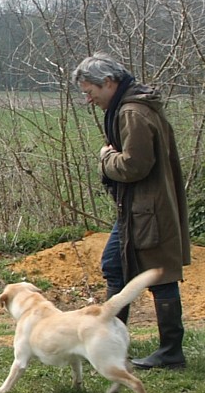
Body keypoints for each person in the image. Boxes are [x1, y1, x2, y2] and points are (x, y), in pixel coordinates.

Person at [71, 53, 191, 370]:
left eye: (90, 91)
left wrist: (105, 159)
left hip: (147, 208)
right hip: (139, 207)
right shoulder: (132, 106)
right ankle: (111, 344)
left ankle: (168, 352)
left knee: (156, 273)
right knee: (117, 267)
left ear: (108, 83)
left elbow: (134, 165)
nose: (88, 99)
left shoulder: (132, 112)